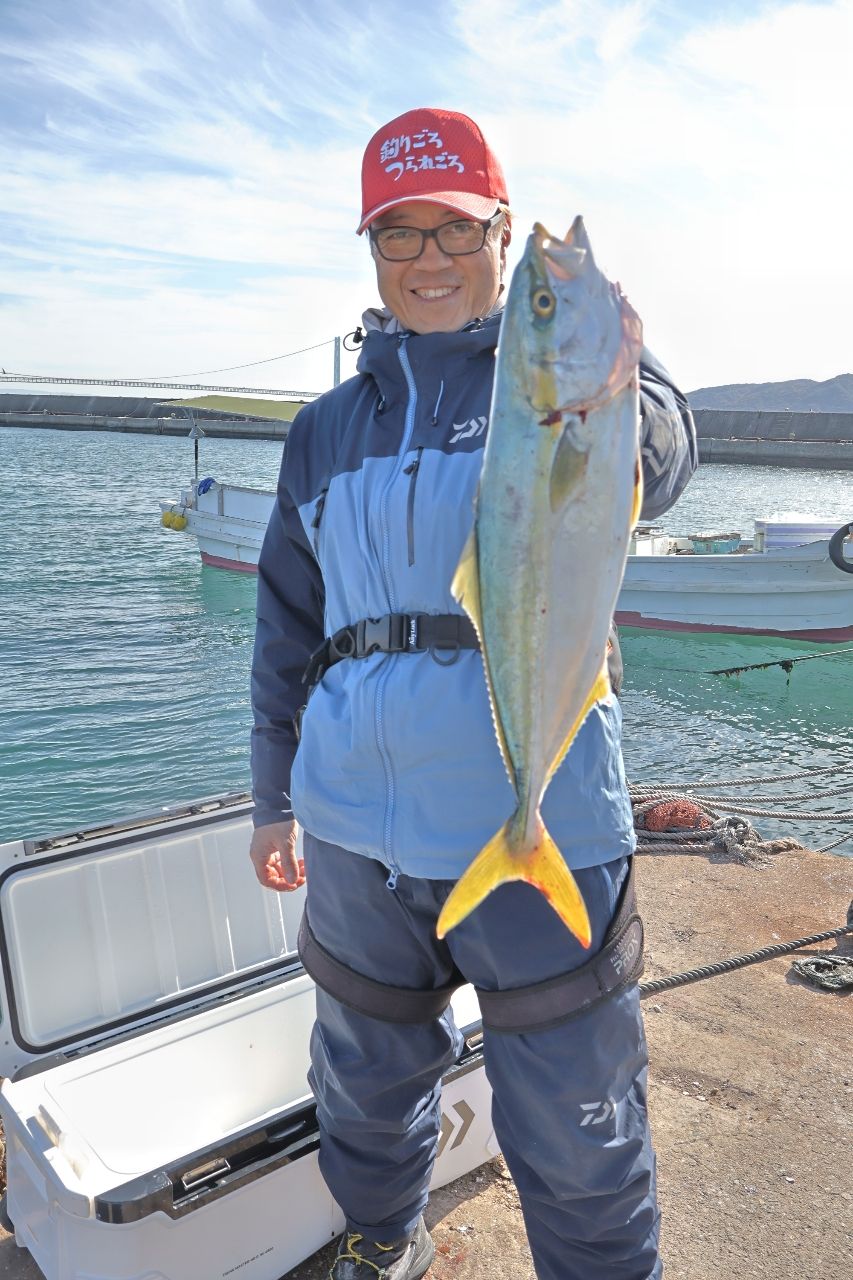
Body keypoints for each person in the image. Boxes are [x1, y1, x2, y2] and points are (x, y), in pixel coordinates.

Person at [249, 107, 697, 1280]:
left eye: (454, 229)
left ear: (500, 234)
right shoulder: (320, 433)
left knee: (580, 1121)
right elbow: (285, 626)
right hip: (355, 832)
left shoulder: (551, 385)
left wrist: (627, 382)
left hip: (547, 818)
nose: (430, 261)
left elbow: (655, 460)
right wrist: (270, 794)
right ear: (370, 254)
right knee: (360, 1084)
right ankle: (385, 1237)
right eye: (399, 237)